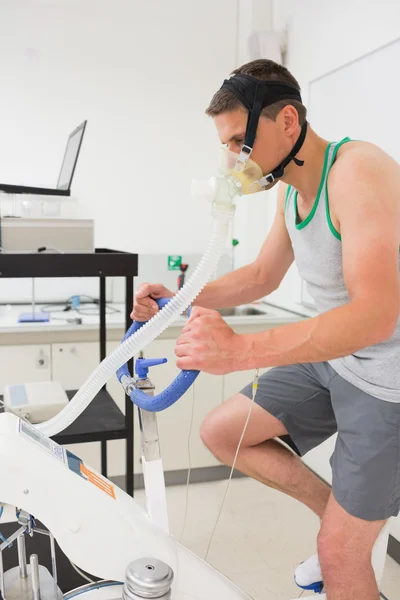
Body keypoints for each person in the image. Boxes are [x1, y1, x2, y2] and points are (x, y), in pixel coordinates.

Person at [132, 59, 400, 600]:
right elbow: (260, 276)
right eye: (227, 145)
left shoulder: (357, 171)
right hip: (336, 360)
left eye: (238, 142)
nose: (232, 159)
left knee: (338, 557)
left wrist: (239, 352)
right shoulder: (292, 189)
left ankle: (342, 540)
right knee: (222, 433)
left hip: (387, 380)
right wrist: (181, 297)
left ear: (288, 124)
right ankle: (339, 516)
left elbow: (376, 316)